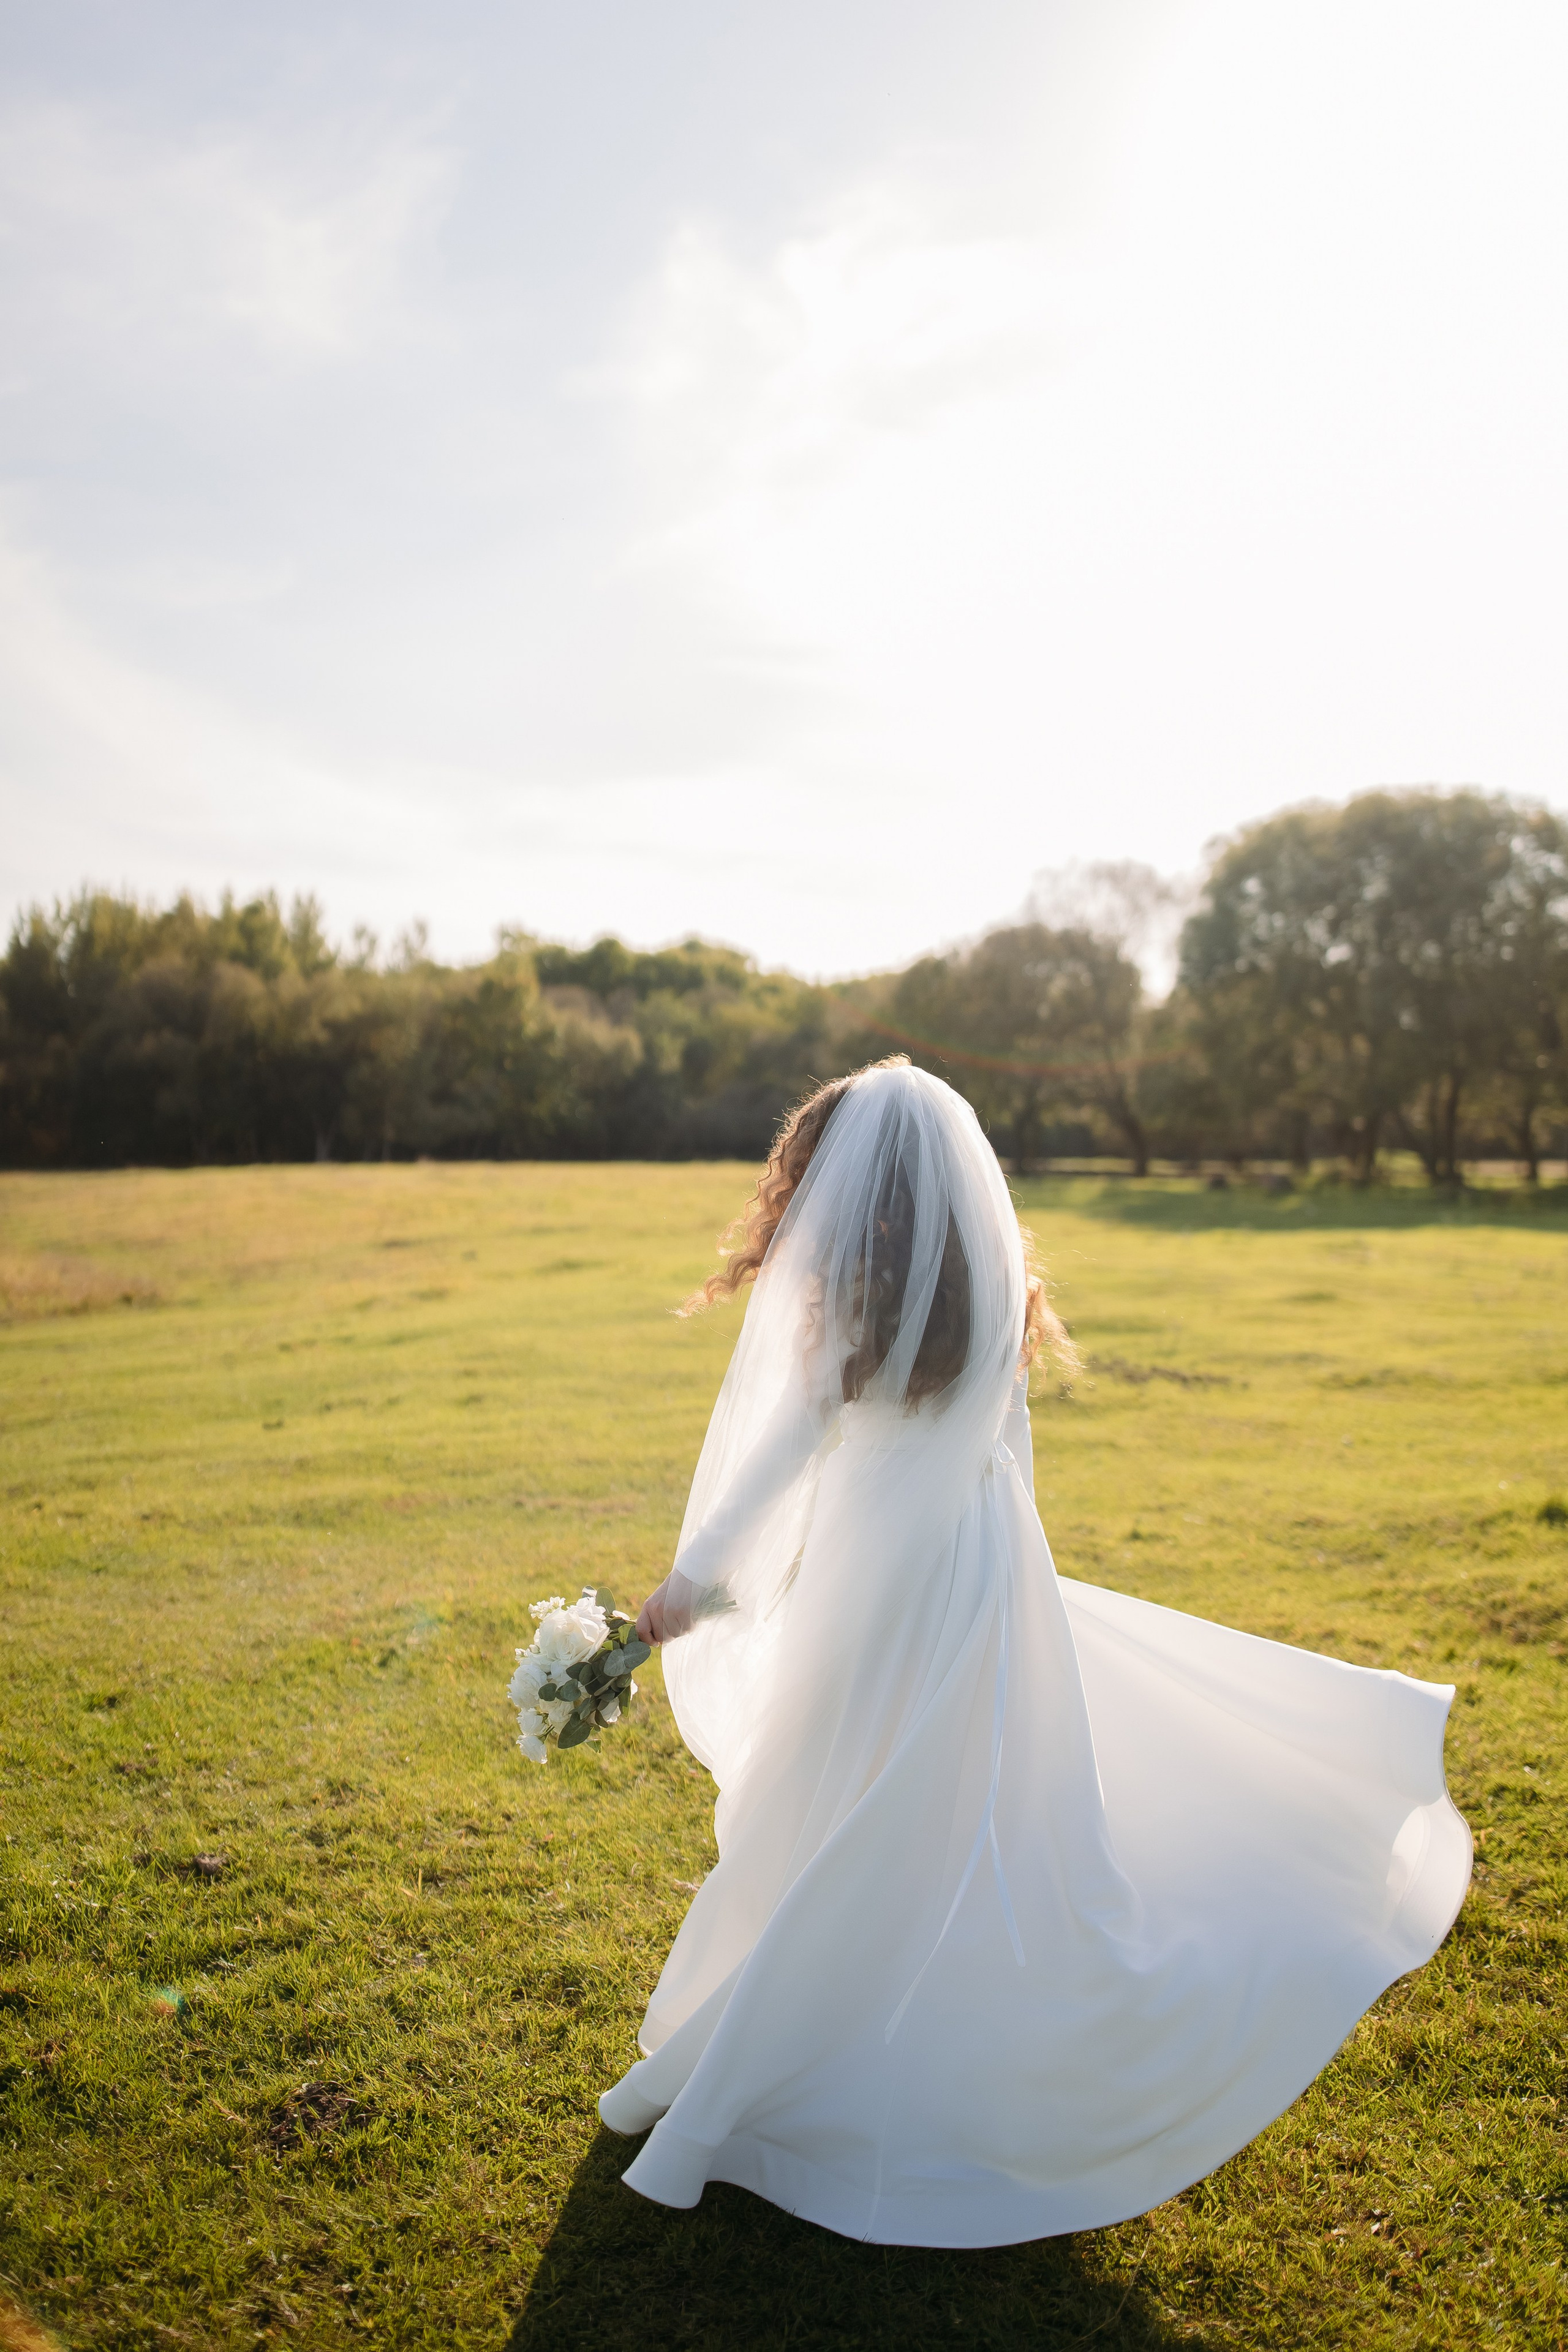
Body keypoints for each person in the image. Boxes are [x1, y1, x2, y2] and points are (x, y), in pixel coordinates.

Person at [598, 1058, 1471, 2247]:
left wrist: (692, 1583)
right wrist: (1020, 1588)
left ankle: (779, 2051)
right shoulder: (991, 1291)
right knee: (963, 1815)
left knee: (842, 1806)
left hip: (876, 1580)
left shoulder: (848, 1300)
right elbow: (1004, 1454)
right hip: (978, 1572)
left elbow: (788, 1450)